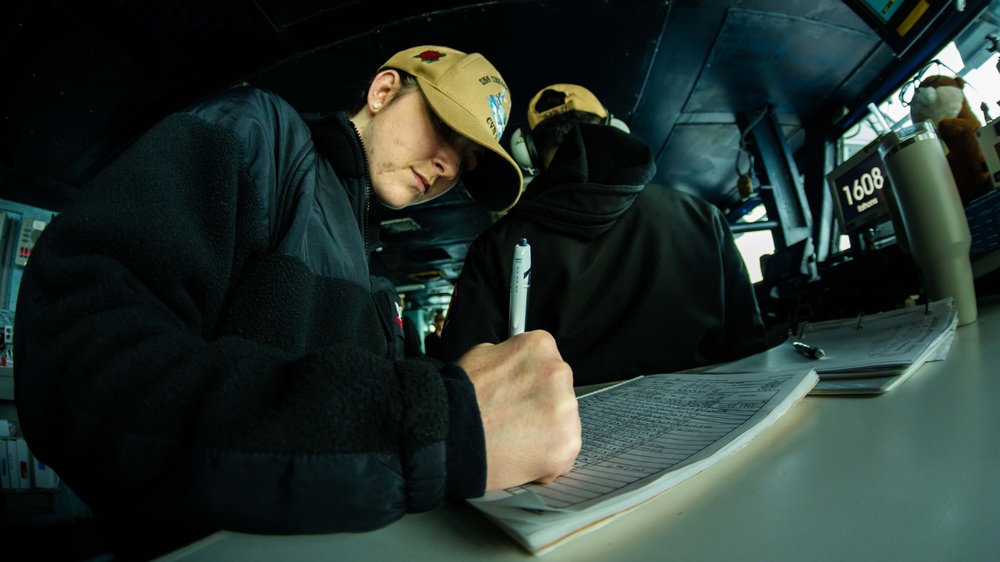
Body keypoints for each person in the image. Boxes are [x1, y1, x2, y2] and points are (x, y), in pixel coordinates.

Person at [13, 46, 580, 560]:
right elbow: (82, 358)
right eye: (445, 129)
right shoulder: (259, 134)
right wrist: (430, 423)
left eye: (467, 164)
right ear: (383, 92)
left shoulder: (368, 261)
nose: (449, 167)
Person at [441, 84, 767, 385]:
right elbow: (749, 344)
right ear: (614, 129)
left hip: (569, 440)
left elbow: (466, 374)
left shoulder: (496, 245)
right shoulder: (702, 216)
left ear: (527, 150)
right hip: (709, 418)